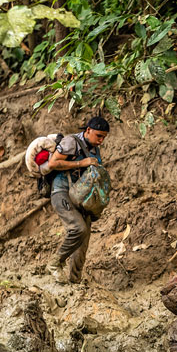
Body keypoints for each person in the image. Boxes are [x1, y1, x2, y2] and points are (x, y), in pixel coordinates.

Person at [45, 116, 109, 283]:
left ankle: (75, 283)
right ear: (88, 130)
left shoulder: (95, 149)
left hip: (82, 199)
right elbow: (53, 163)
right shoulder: (70, 142)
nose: (101, 141)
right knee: (78, 229)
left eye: (104, 137)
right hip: (62, 192)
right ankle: (54, 263)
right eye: (98, 136)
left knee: (83, 244)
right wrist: (81, 164)